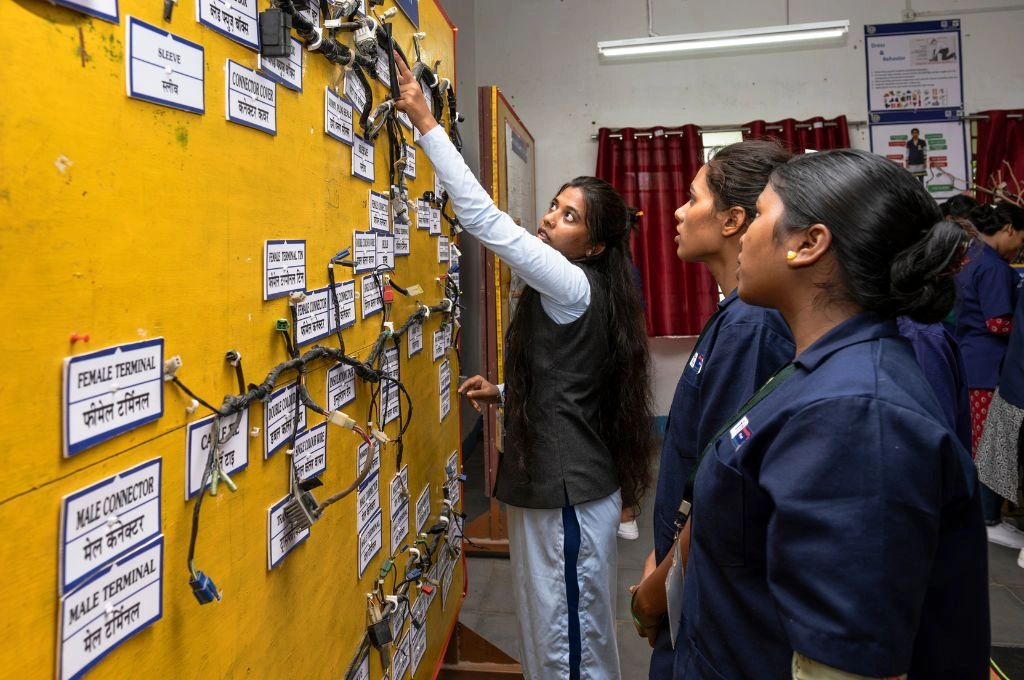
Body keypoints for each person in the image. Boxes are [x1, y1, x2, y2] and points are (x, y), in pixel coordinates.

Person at [675, 149, 989, 679]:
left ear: (808, 244)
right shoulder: (822, 369)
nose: (746, 235)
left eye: (761, 215)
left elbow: (842, 662)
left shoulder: (857, 414)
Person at [395, 56, 654, 679]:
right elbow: (576, 378)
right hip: (559, 486)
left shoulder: (570, 281)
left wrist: (427, 124)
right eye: (555, 207)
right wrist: (507, 390)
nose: (548, 220)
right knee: (556, 630)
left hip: (566, 494)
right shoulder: (589, 287)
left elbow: (487, 223)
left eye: (569, 218)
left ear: (594, 245)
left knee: (567, 645)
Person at [626, 140, 794, 678]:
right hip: (687, 570)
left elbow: (725, 488)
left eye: (693, 199)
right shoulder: (736, 314)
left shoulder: (752, 324)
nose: (678, 212)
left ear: (732, 220)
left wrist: (655, 590)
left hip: (711, 591)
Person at [955, 202, 1024, 547]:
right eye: (1022, 238)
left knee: (977, 443)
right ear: (1009, 228)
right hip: (988, 367)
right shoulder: (995, 267)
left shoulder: (971, 255)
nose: (1020, 248)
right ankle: (986, 518)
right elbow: (997, 322)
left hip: (970, 360)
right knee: (990, 446)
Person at [977, 287, 1024, 569]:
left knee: (998, 450)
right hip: (1013, 380)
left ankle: (987, 517)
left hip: (1013, 379)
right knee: (999, 450)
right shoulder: (991, 271)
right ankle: (987, 518)